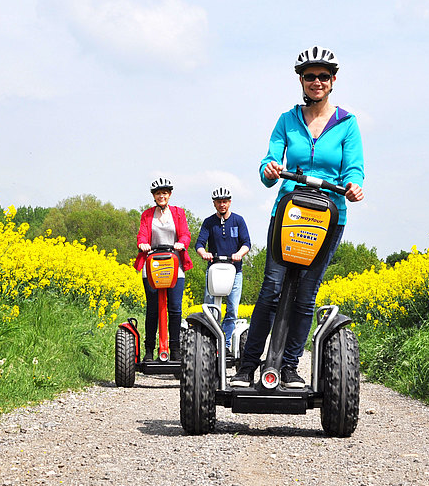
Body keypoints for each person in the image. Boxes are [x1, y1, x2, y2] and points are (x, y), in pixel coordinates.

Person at [230, 46, 364, 388]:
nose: (316, 82)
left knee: (306, 293)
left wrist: (353, 185)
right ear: (301, 81)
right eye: (310, 76)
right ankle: (246, 368)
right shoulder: (287, 120)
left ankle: (289, 368)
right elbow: (268, 163)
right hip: (289, 212)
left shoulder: (347, 123)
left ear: (333, 80)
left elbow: (354, 168)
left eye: (323, 76)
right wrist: (271, 169)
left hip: (330, 215)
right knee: (272, 288)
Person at [134, 177, 193, 362]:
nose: (162, 196)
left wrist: (181, 243)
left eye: (165, 193)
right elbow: (142, 234)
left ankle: (174, 349)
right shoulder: (147, 214)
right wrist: (143, 243)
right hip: (152, 263)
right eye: (158, 193)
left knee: (175, 308)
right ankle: (149, 350)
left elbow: (185, 234)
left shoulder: (178, 213)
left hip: (175, 263)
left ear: (170, 195)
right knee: (152, 309)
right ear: (154, 196)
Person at [195, 187, 251, 353]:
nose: (222, 204)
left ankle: (225, 345)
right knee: (210, 308)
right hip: (214, 270)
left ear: (229, 202)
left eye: (225, 201)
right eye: (219, 202)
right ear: (214, 203)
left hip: (235, 271)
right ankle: (210, 343)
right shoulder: (209, 222)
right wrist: (204, 253)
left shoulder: (238, 220)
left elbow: (246, 243)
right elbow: (199, 244)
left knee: (232, 308)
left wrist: (239, 254)